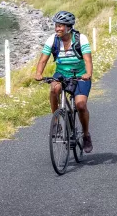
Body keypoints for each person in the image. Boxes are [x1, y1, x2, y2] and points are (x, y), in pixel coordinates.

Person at [34, 11, 94, 153]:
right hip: (61, 74)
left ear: (69, 27)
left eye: (60, 26)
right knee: (54, 89)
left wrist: (88, 73)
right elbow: (43, 59)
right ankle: (56, 121)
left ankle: (86, 135)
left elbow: (87, 59)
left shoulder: (81, 39)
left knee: (80, 105)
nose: (57, 29)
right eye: (56, 26)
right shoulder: (52, 39)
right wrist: (38, 73)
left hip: (79, 75)